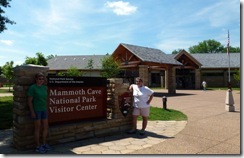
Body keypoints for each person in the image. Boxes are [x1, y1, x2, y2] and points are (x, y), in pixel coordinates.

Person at [27, 72, 51, 153]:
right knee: (37, 128)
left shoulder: (45, 88)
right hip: (36, 110)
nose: (41, 80)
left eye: (43, 79)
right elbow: (29, 101)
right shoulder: (32, 88)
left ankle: (44, 143)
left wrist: (47, 108)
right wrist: (32, 112)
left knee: (46, 127)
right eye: (39, 79)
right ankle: (38, 146)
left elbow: (47, 99)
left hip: (44, 110)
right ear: (36, 79)